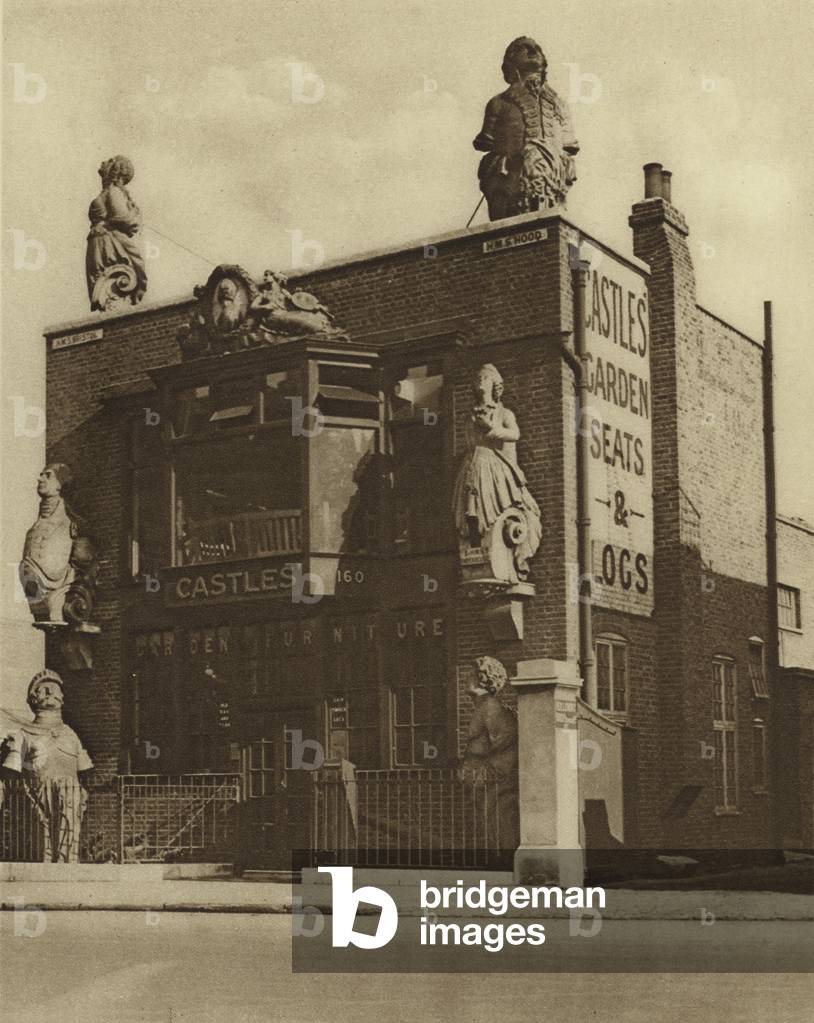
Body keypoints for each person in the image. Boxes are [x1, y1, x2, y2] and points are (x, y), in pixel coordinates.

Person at [452, 364, 542, 579]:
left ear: (495, 385)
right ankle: (476, 544)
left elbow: (514, 434)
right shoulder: (470, 415)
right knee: (470, 511)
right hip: (473, 464)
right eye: (477, 378)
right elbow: (468, 441)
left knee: (492, 508)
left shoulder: (504, 413)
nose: (479, 381)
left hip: (492, 465)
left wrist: (488, 427)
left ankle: (489, 545)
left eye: (484, 378)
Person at [473, 37, 579, 219]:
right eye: (523, 48)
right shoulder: (498, 103)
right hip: (512, 185)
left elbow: (569, 147)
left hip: (551, 185)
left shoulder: (560, 105)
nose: (531, 50)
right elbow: (485, 142)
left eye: (535, 48)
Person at [1, 671, 93, 862]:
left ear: (62, 698)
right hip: (37, 799)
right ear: (33, 699)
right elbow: (10, 775)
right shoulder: (23, 734)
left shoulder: (70, 734)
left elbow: (85, 772)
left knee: (69, 845)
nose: (50, 691)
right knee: (43, 843)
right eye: (43, 689)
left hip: (70, 798)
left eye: (55, 688)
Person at [86, 155, 147, 310]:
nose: (103, 163)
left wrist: (134, 216)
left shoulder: (113, 191)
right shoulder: (111, 191)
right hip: (103, 241)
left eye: (109, 162)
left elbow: (123, 218)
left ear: (115, 170)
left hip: (108, 241)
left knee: (109, 285)